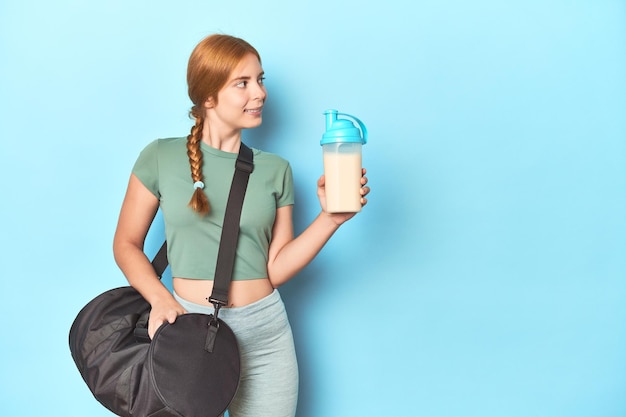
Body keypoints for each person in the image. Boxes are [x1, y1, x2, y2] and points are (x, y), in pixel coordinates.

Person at [112, 33, 370, 417]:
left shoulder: (275, 169)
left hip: (266, 334)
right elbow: (126, 244)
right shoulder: (159, 158)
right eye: (243, 83)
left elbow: (275, 268)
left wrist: (331, 218)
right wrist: (160, 298)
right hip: (187, 330)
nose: (260, 93)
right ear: (209, 95)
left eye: (261, 80)